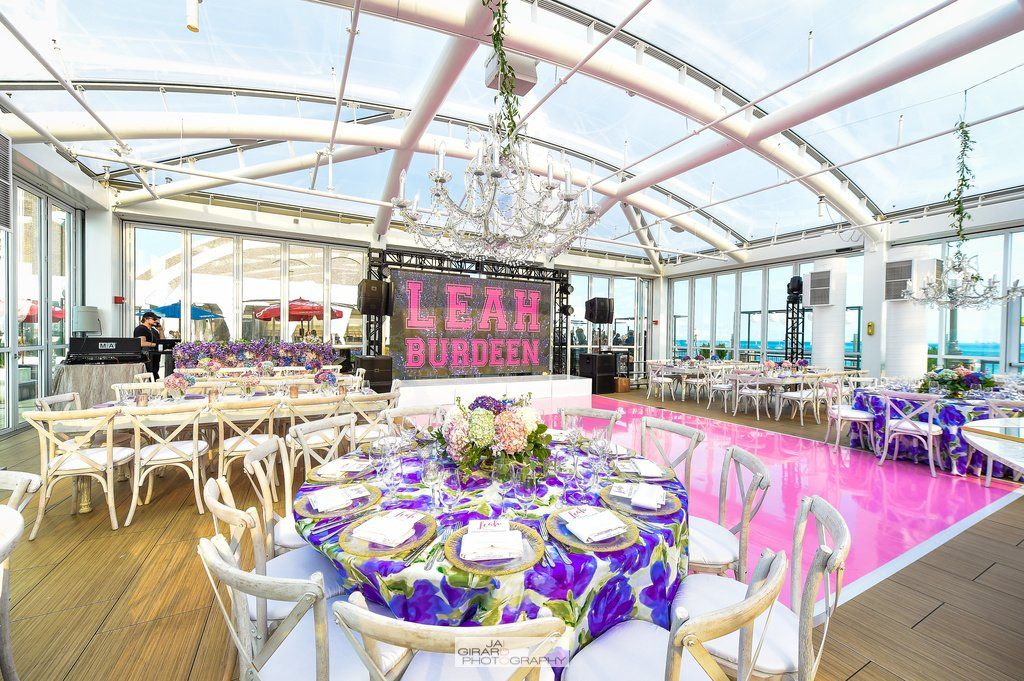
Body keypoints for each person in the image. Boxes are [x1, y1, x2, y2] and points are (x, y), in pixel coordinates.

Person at [133, 311, 161, 380]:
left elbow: (162, 341)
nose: (156, 321)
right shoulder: (140, 329)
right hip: (146, 356)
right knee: (149, 374)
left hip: (155, 356)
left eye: (156, 319)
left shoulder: (154, 331)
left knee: (155, 373)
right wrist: (156, 345)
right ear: (146, 319)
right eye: (154, 319)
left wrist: (161, 331)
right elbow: (141, 343)